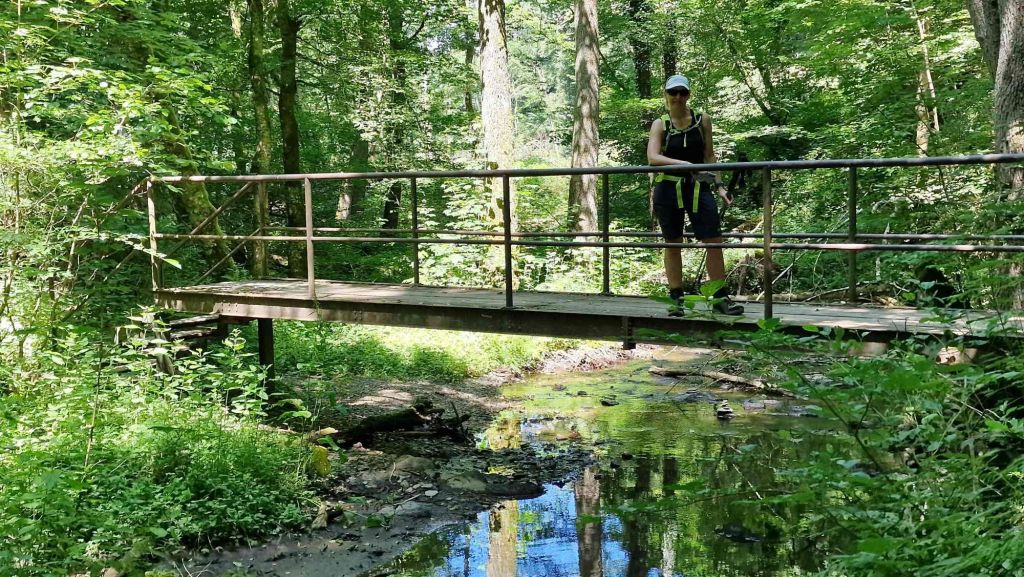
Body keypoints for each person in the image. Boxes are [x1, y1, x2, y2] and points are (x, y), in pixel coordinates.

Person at [647, 75, 743, 316]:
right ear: (666, 94)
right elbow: (653, 157)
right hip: (669, 188)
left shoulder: (703, 120)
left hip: (700, 186)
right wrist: (684, 164)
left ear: (688, 94)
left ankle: (720, 298)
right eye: (673, 92)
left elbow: (709, 155)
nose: (678, 97)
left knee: (713, 240)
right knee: (673, 242)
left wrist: (720, 186)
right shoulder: (661, 124)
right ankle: (676, 298)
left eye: (682, 92)